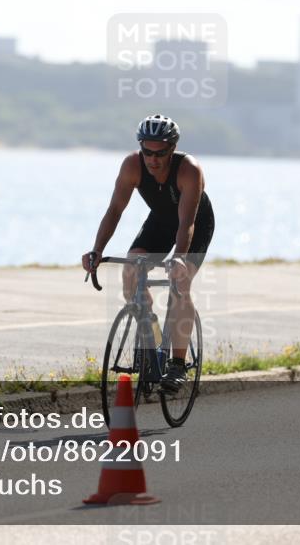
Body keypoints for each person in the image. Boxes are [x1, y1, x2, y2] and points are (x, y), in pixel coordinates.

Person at [82, 114, 215, 393]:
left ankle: (177, 365)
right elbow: (115, 210)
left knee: (181, 284)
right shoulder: (132, 165)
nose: (152, 159)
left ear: (173, 148)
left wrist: (179, 258)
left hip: (193, 224)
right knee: (131, 269)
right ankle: (151, 336)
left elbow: (187, 223)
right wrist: (97, 250)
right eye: (147, 151)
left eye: (160, 152)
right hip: (160, 220)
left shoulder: (189, 170)